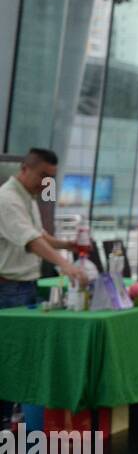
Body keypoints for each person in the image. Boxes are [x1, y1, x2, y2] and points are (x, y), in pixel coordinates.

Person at [0, 148, 84, 428]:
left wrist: (67, 245)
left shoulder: (28, 198)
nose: (46, 183)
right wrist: (66, 265)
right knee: (11, 362)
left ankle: (12, 421)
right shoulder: (7, 200)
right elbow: (31, 240)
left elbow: (41, 235)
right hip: (7, 291)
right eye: (43, 176)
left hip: (23, 288)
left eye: (51, 178)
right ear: (24, 169)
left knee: (17, 360)